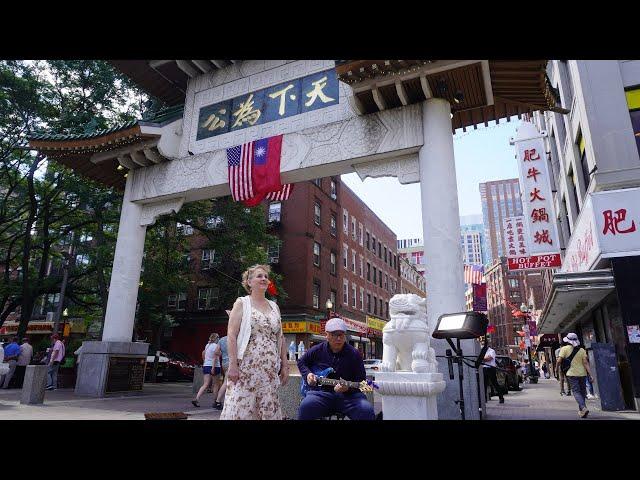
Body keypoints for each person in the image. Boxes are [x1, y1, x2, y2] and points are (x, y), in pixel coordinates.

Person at [220, 264, 288, 420]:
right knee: (242, 409)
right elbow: (231, 335)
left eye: (266, 276)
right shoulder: (242, 303)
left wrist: (284, 365)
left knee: (267, 409)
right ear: (249, 282)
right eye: (259, 276)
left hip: (269, 370)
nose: (264, 279)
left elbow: (281, 337)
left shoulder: (274, 306)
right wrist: (233, 365)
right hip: (246, 368)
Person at [297, 317, 375, 420]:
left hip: (349, 398)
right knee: (305, 407)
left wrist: (348, 387)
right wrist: (308, 374)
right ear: (327, 335)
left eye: (341, 335)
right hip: (321, 395)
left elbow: (362, 381)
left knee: (366, 410)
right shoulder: (317, 350)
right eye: (334, 335)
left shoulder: (354, 354)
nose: (338, 339)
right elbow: (301, 362)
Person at [556, 332, 594, 418]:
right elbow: (586, 363)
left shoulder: (564, 349)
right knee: (582, 392)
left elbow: (559, 361)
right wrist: (591, 374)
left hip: (571, 374)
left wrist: (556, 369)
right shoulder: (582, 350)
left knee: (576, 392)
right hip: (582, 374)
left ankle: (583, 408)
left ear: (568, 340)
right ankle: (582, 411)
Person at [192, 333, 221, 408]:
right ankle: (215, 401)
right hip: (215, 366)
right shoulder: (216, 346)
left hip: (206, 365)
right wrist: (213, 367)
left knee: (205, 384)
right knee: (216, 385)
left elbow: (203, 354)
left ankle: (196, 398)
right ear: (216, 338)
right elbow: (215, 357)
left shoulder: (207, 345)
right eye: (218, 337)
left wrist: (205, 362)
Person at [214, 335, 229, 410]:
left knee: (227, 381)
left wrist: (223, 354)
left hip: (224, 362)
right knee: (226, 382)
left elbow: (216, 352)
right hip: (231, 362)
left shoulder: (222, 339)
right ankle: (218, 401)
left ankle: (219, 400)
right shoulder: (235, 338)